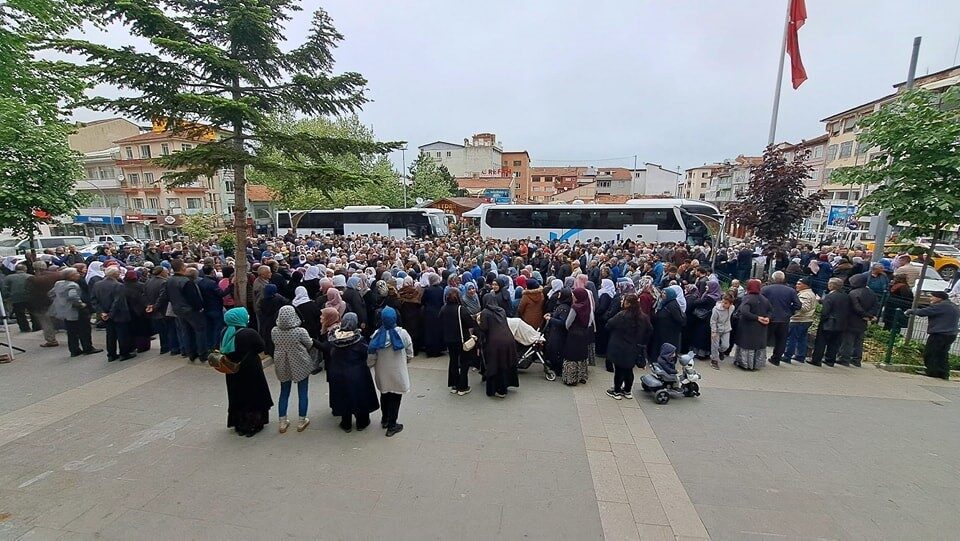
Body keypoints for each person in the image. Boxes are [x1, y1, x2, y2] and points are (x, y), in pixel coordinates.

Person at [221, 308, 274, 437]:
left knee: (238, 396)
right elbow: (261, 347)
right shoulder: (249, 333)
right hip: (250, 369)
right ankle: (253, 424)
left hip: (233, 371)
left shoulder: (225, 332)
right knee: (253, 396)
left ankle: (240, 425)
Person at [327, 313, 379, 432]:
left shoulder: (334, 337)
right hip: (357, 373)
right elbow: (366, 352)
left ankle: (346, 423)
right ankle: (362, 422)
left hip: (338, 373)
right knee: (360, 397)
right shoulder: (358, 339)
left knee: (343, 397)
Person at [367, 306, 414, 437]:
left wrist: (370, 365)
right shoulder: (402, 333)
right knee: (396, 397)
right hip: (398, 371)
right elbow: (410, 350)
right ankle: (393, 425)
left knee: (385, 394)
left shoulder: (376, 335)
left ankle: (385, 419)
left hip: (382, 372)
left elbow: (371, 356)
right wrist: (407, 360)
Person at [272, 305, 315, 433]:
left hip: (282, 363)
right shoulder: (299, 331)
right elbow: (309, 344)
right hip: (300, 362)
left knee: (284, 392)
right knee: (302, 391)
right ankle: (302, 420)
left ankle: (282, 421)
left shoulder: (274, 331)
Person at [605, 293, 651, 400]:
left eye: (624, 301)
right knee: (629, 370)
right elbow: (649, 330)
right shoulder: (643, 317)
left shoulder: (622, 315)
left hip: (619, 346)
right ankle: (627, 391)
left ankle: (616, 391)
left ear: (628, 303)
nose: (622, 302)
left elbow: (609, 325)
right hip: (634, 347)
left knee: (619, 370)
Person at [906, 291, 960, 379]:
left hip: (940, 333)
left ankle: (932, 371)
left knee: (931, 352)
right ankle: (943, 373)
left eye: (932, 297)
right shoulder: (952, 305)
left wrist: (910, 311)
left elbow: (925, 312)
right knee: (942, 354)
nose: (930, 299)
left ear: (939, 298)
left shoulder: (941, 306)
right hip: (951, 334)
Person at [49, 268, 101, 357]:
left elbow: (51, 293)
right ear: (70, 276)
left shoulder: (58, 283)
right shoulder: (73, 285)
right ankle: (87, 348)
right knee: (84, 330)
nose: (78, 274)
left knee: (71, 331)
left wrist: (61, 302)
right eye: (76, 273)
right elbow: (73, 296)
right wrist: (80, 304)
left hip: (66, 312)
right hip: (77, 311)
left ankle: (74, 350)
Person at [477, 292, 519, 397]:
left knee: (495, 365)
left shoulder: (485, 312)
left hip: (494, 342)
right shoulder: (501, 310)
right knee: (505, 364)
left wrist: (478, 322)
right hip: (508, 340)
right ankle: (505, 386)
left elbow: (484, 328)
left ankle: (497, 389)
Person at [91, 267, 135, 362]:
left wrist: (102, 312)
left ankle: (111, 354)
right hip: (119, 314)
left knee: (110, 335)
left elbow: (94, 300)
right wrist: (110, 313)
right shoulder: (118, 285)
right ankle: (124, 353)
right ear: (115, 274)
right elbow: (117, 301)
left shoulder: (97, 285)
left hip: (105, 314)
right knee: (122, 334)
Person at [761, 271, 802, 365]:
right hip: (784, 319)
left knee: (764, 338)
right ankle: (776, 359)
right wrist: (789, 312)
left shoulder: (766, 289)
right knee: (781, 340)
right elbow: (798, 305)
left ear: (772, 278)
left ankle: (761, 357)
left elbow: (761, 302)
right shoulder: (790, 290)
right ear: (783, 279)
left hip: (769, 318)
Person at [440, 288, 475, 395]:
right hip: (461, 339)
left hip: (449, 339)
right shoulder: (461, 309)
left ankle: (454, 385)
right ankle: (463, 387)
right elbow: (470, 323)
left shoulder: (443, 309)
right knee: (464, 362)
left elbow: (439, 320)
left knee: (453, 361)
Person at [809, 278, 851, 367]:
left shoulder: (829, 296)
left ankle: (816, 360)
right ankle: (830, 360)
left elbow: (825, 311)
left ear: (832, 285)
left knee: (821, 342)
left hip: (828, 323)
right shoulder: (846, 296)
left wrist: (822, 320)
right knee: (834, 343)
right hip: (841, 323)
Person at [840, 272, 879, 367]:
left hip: (852, 319)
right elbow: (875, 306)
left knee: (848, 341)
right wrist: (869, 316)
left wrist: (864, 314)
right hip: (863, 321)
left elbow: (856, 307)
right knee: (859, 341)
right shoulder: (872, 293)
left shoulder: (853, 293)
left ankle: (844, 358)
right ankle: (856, 360)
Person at [733, 279, 772, 370]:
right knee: (757, 346)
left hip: (747, 327)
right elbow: (770, 310)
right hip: (761, 327)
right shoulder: (764, 299)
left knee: (746, 345)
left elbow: (744, 312)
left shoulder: (747, 298)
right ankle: (756, 364)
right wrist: (767, 318)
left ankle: (745, 363)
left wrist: (757, 318)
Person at [561, 288, 595, 386]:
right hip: (584, 333)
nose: (572, 296)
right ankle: (582, 376)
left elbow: (568, 323)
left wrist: (569, 329)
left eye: (574, 295)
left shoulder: (575, 307)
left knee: (571, 356)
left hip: (574, 334)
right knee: (581, 356)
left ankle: (571, 378)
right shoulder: (588, 305)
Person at [783, 277, 818, 364]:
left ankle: (787, 356)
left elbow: (804, 307)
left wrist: (792, 306)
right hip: (806, 319)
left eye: (799, 284)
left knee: (791, 339)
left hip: (799, 319)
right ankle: (800, 356)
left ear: (805, 285)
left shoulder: (805, 295)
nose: (796, 285)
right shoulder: (810, 293)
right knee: (802, 338)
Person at [27, 261, 60, 347]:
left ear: (35, 269)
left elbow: (29, 292)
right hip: (56, 301)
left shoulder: (33, 279)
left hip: (41, 304)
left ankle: (51, 340)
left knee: (46, 323)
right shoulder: (56, 275)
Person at [687, 280, 720, 360]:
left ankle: (700, 353)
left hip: (703, 320)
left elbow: (697, 302)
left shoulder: (709, 298)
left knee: (700, 336)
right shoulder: (716, 296)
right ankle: (706, 353)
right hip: (708, 319)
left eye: (708, 285)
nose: (706, 287)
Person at [544, 288, 572, 378]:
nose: (558, 296)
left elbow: (562, 322)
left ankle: (557, 369)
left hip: (558, 333)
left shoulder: (564, 308)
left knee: (556, 351)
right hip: (556, 332)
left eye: (560, 294)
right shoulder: (562, 305)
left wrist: (550, 319)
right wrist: (551, 315)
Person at [1, 264, 35, 332]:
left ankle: (25, 328)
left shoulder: (8, 278)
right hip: (30, 297)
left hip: (16, 298)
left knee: (20, 314)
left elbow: (4, 288)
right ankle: (36, 326)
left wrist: (7, 296)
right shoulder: (31, 276)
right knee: (33, 313)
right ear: (25, 269)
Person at [652, 287, 685, 359]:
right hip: (663, 330)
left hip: (669, 332)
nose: (662, 294)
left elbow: (679, 319)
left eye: (665, 293)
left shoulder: (672, 305)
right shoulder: (665, 302)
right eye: (662, 293)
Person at [123, 271, 151, 353]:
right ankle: (142, 346)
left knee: (131, 329)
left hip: (129, 311)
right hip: (141, 311)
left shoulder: (122, 286)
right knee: (143, 329)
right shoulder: (141, 285)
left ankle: (132, 346)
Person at [258, 283, 289, 355]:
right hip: (276, 321)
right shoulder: (278, 299)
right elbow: (287, 302)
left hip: (266, 322)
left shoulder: (262, 301)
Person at [397, 276, 424, 355]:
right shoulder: (415, 291)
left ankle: (406, 350)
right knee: (415, 332)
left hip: (404, 315)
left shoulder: (401, 292)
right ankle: (415, 350)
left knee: (406, 332)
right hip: (415, 315)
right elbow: (419, 303)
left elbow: (399, 303)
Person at [421, 273, 446, 357]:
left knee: (429, 332)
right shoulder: (441, 289)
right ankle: (437, 350)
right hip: (438, 312)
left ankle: (430, 350)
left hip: (429, 312)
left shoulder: (428, 290)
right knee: (437, 332)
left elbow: (423, 301)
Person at [709, 293, 735, 370]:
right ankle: (714, 360)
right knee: (715, 345)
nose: (723, 304)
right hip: (716, 329)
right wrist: (713, 331)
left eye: (726, 303)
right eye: (723, 302)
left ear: (730, 304)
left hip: (726, 328)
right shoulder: (716, 309)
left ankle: (721, 351)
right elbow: (713, 321)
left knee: (726, 345)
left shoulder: (732, 308)